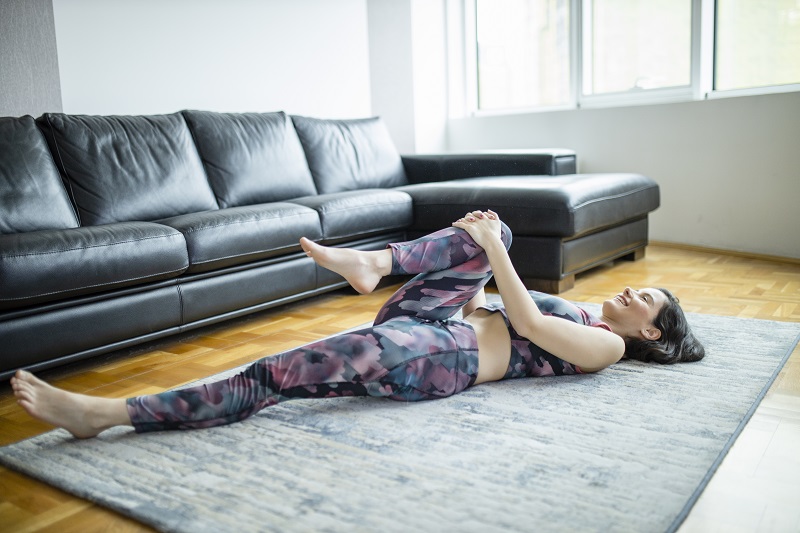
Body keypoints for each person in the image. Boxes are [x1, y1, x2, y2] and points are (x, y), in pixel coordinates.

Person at [10, 210, 704, 439]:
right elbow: (501, 301)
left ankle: (107, 412)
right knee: (502, 232)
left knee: (278, 372)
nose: (637, 290)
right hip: (441, 320)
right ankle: (374, 262)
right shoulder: (587, 310)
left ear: (650, 331)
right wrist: (487, 251)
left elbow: (523, 317)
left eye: (651, 299)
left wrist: (492, 257)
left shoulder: (606, 346)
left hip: (439, 356)